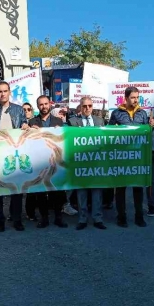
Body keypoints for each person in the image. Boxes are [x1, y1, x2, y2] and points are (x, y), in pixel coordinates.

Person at [0, 81, 29, 232]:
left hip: (15, 151)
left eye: (5, 91)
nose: (2, 94)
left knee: (16, 188)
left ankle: (16, 219)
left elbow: (24, 124)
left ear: (10, 92)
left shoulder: (18, 110)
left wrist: (25, 125)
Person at [108, 86, 154, 227]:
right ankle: (121, 217)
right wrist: (114, 130)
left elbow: (146, 135)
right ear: (126, 98)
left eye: (137, 97)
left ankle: (139, 216)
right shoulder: (116, 113)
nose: (136, 100)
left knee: (137, 188)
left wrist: (151, 127)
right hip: (121, 156)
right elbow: (108, 132)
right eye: (133, 97)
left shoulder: (142, 114)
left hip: (137, 156)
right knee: (121, 188)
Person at [28, 95, 68, 228]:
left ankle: (58, 217)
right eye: (41, 104)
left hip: (54, 160)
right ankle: (44, 218)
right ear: (37, 106)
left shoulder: (58, 121)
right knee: (40, 192)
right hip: (39, 161)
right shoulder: (32, 122)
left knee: (56, 191)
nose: (44, 106)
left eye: (46, 104)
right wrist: (29, 131)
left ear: (49, 105)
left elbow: (64, 138)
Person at [68, 96, 107, 230]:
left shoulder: (100, 121)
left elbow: (105, 140)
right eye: (84, 106)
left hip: (96, 162)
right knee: (82, 192)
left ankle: (97, 218)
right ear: (80, 107)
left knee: (97, 191)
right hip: (80, 162)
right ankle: (82, 219)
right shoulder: (73, 122)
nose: (87, 108)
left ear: (93, 106)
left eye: (90, 106)